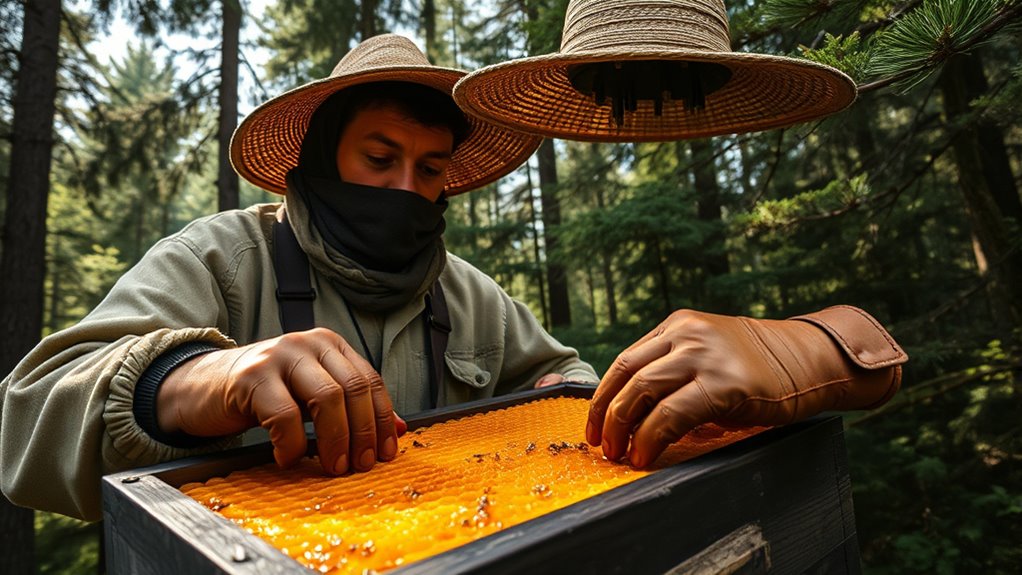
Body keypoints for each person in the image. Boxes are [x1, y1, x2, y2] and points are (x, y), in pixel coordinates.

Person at [0, 34, 598, 522]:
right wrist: (200, 381)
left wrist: (564, 397)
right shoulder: (219, 259)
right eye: (380, 159)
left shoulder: (472, 296)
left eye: (429, 168)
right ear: (322, 155)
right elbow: (27, 419)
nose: (405, 189)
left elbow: (567, 377)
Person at [455, 0, 908, 467]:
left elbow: (559, 370)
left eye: (431, 167)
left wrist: (792, 352)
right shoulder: (470, 292)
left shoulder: (479, 301)